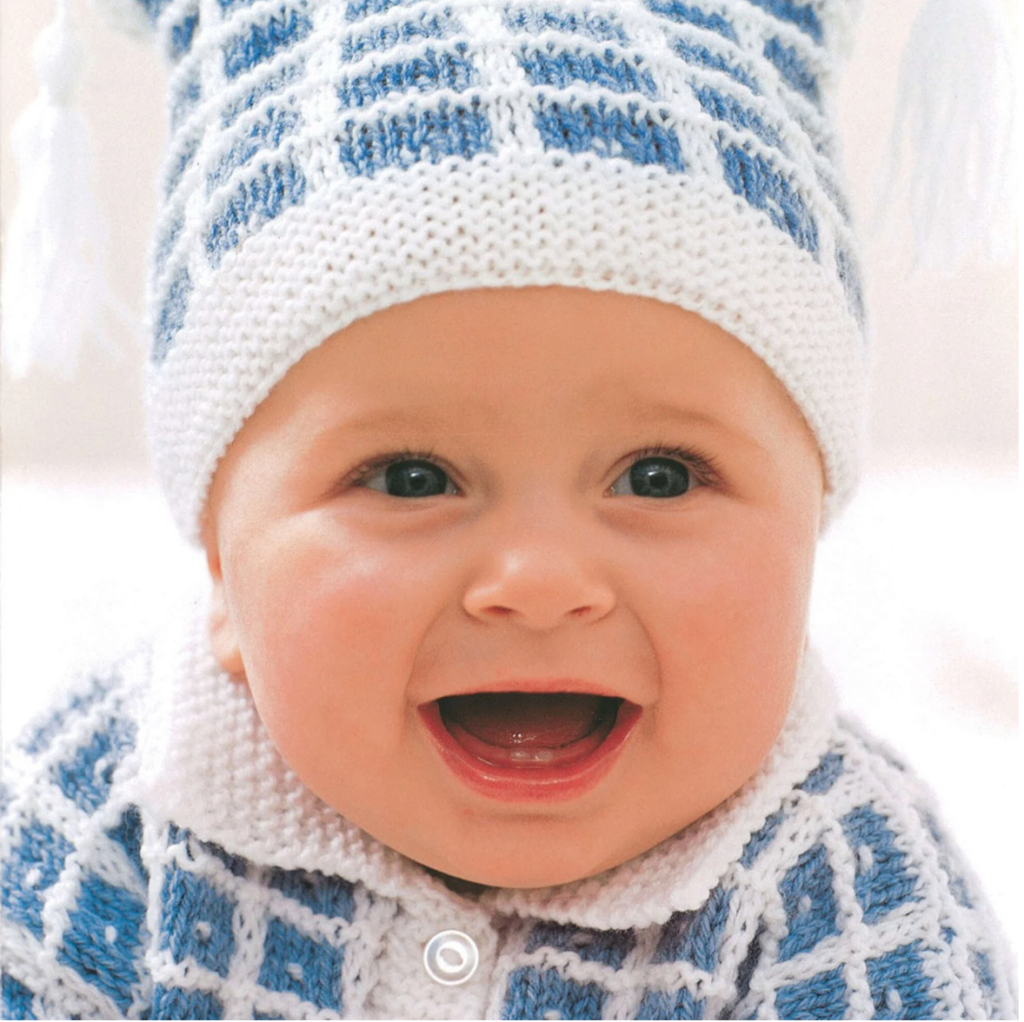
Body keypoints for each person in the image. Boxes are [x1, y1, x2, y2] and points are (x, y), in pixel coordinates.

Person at [1, 0, 1015, 1018]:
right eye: (410, 478)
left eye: (659, 477)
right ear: (222, 570)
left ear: (810, 526)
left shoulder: (850, 886)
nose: (539, 581)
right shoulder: (95, 826)